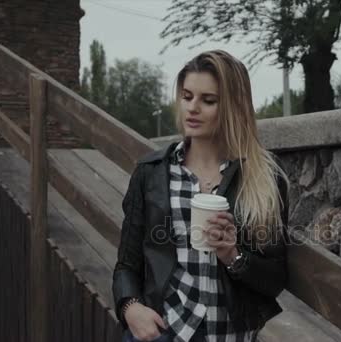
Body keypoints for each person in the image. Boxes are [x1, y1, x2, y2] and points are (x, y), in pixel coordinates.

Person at [112, 50, 290, 342]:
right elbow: (127, 264)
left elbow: (275, 278)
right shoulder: (151, 173)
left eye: (208, 100)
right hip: (164, 331)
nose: (192, 108)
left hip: (230, 334)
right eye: (186, 96)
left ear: (233, 107)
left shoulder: (263, 178)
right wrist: (130, 308)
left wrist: (233, 255)